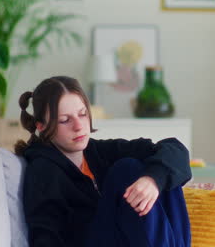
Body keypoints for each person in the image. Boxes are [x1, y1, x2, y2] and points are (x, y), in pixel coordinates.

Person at [14, 76, 192, 247]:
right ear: (41, 126)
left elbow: (174, 149)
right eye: (65, 120)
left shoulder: (99, 152)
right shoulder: (43, 172)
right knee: (127, 170)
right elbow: (45, 239)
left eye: (82, 114)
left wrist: (153, 180)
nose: (78, 126)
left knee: (160, 168)